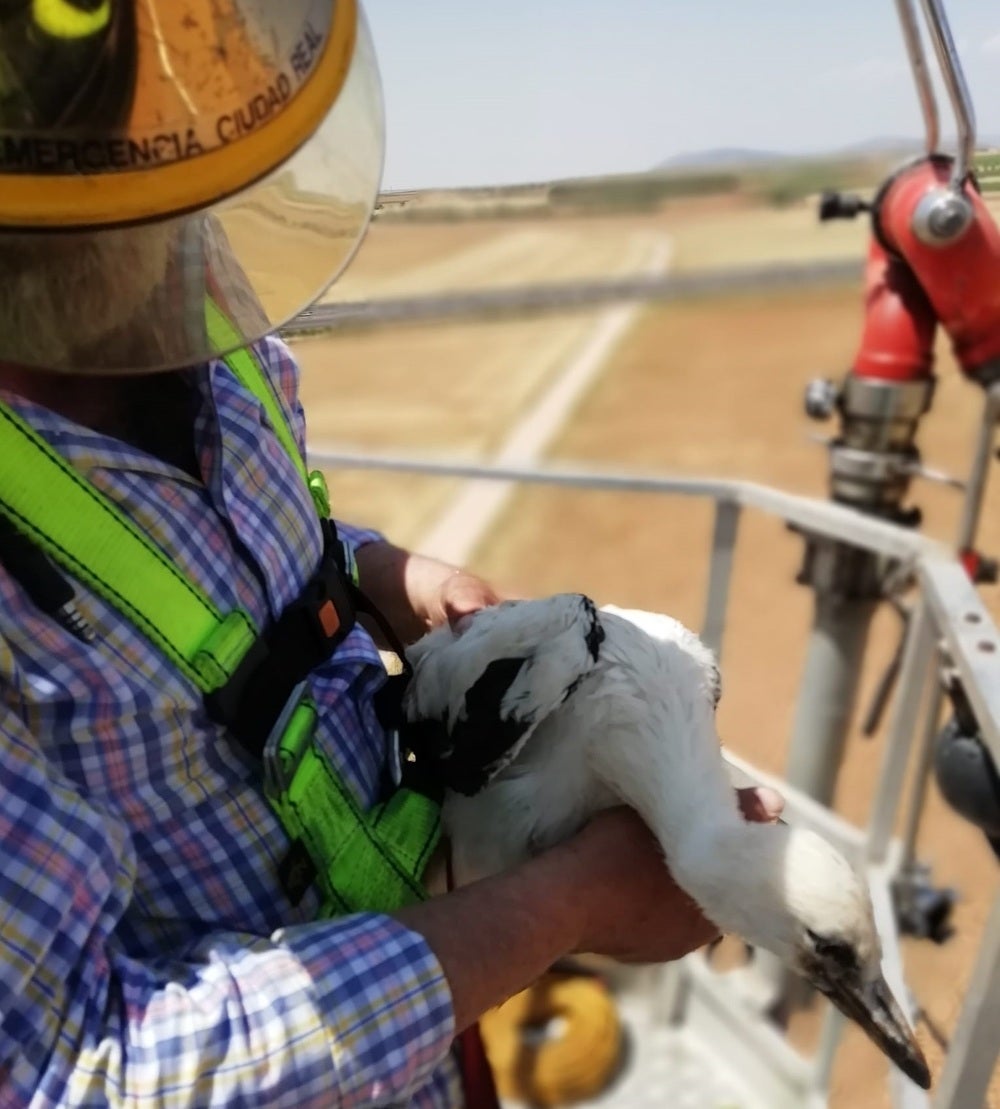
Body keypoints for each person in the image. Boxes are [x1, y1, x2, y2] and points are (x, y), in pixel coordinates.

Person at [0, 2, 783, 1105]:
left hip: (431, 1031)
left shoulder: (191, 296)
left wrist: (367, 570)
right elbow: (69, 1070)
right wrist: (566, 905)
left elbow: (213, 559)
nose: (181, 238)